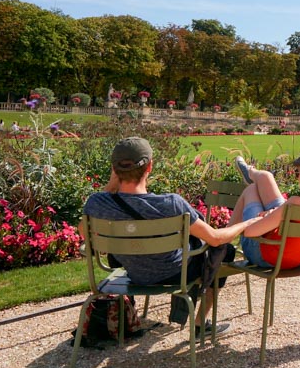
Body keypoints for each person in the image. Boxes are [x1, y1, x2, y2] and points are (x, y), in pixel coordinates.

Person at [83, 137, 269, 335]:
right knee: (225, 250)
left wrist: (111, 185)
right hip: (175, 274)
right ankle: (199, 323)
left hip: (135, 273)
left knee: (194, 248)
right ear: (149, 167)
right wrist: (248, 223)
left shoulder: (97, 203)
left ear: (114, 169)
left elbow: (83, 232)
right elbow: (215, 238)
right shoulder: (171, 204)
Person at [233, 151, 300, 269]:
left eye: (298, 173)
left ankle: (221, 243)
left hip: (268, 256)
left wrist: (266, 217)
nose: (297, 177)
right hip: (299, 258)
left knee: (251, 189)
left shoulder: (295, 203)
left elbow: (250, 232)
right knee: (265, 177)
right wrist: (275, 213)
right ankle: (251, 172)